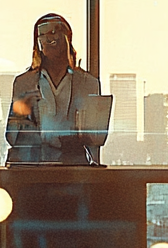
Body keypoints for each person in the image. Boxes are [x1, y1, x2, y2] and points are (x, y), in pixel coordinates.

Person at [6, 13, 104, 164]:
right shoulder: (24, 82)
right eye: (42, 35)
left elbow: (94, 140)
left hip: (73, 169)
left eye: (53, 32)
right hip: (31, 169)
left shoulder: (87, 83)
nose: (48, 39)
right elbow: (12, 137)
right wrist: (20, 113)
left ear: (66, 37)